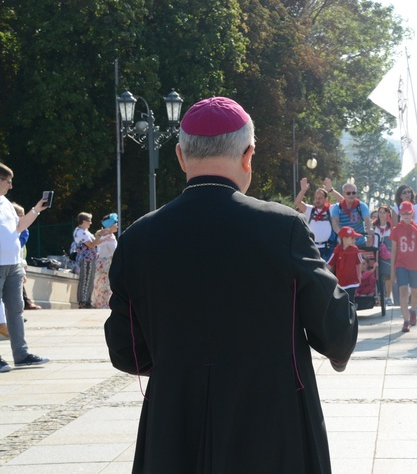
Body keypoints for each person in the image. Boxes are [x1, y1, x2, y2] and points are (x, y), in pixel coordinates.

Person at [103, 96, 357, 473]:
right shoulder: (281, 227)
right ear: (248, 154)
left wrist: (183, 367)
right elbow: (336, 329)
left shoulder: (139, 237)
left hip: (175, 427)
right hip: (273, 425)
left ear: (180, 156)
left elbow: (125, 350)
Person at [0, 163, 50, 373]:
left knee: (16, 310)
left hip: (12, 264)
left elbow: (19, 227)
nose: (11, 186)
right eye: (8, 181)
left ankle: (21, 355)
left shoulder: (5, 203)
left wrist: (36, 210)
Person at [389, 201, 417, 332]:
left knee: (415, 293)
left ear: (412, 213)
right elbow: (393, 251)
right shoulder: (396, 230)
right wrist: (392, 270)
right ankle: (406, 320)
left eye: (408, 213)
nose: (405, 216)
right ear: (400, 214)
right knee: (403, 291)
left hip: (415, 264)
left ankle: (413, 311)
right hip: (401, 264)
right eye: (403, 213)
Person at [294, 177, 342, 261]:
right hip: (312, 248)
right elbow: (297, 203)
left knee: (327, 272)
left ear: (326, 199)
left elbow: (343, 202)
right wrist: (303, 190)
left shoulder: (331, 209)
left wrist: (331, 190)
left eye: (320, 198)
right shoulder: (310, 210)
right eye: (316, 198)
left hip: (328, 249)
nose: (317, 200)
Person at [73, 212, 110, 308]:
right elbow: (91, 244)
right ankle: (83, 301)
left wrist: (102, 236)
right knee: (85, 279)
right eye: (89, 221)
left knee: (89, 280)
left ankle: (87, 301)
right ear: (83, 221)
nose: (91, 223)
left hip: (90, 258)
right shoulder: (80, 232)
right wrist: (99, 235)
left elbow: (95, 242)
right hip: (85, 259)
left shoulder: (86, 232)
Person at [328, 226, 365, 305]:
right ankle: (345, 316)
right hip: (340, 282)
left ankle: (352, 316)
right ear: (344, 238)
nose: (354, 240)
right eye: (352, 238)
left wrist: (359, 275)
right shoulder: (337, 250)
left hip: (352, 281)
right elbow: (330, 263)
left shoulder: (355, 250)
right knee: (342, 302)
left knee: (350, 301)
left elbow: (359, 263)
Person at [331, 182, 372, 248]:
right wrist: (342, 234)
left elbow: (367, 220)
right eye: (348, 193)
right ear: (343, 194)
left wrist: (370, 230)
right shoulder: (338, 207)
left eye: (353, 193)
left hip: (360, 243)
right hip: (344, 244)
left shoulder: (361, 206)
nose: (351, 195)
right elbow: (335, 222)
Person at [91, 213, 118, 309]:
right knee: (104, 284)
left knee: (107, 284)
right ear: (110, 226)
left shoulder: (110, 236)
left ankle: (105, 303)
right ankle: (103, 304)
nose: (117, 225)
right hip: (105, 263)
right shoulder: (106, 237)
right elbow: (114, 251)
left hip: (107, 263)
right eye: (115, 224)